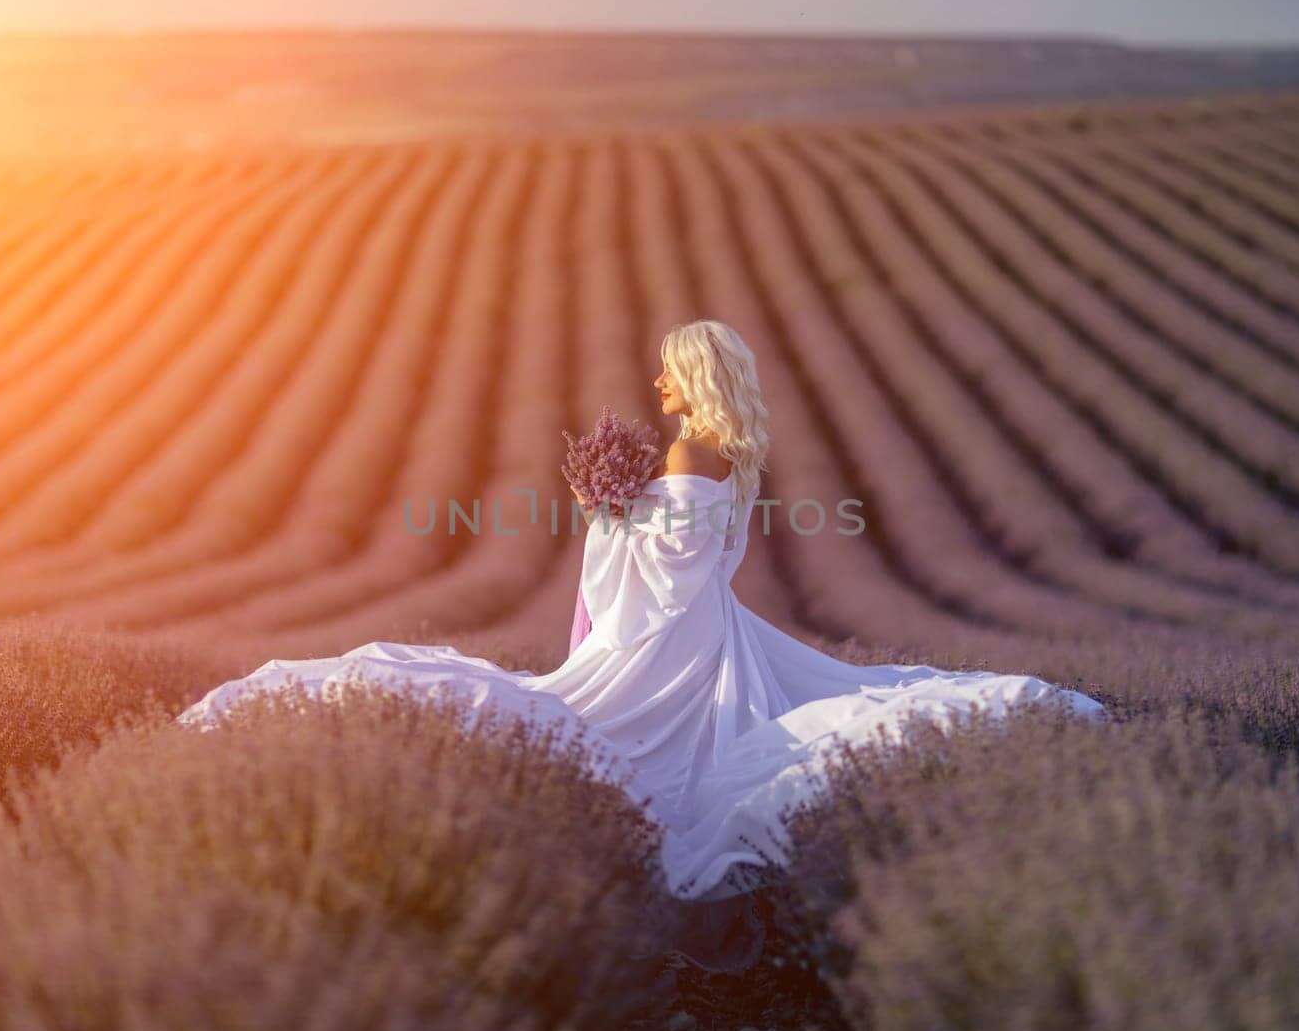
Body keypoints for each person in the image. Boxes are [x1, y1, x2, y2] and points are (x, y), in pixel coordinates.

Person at [177, 319, 1106, 969]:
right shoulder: (729, 450)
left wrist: (605, 512)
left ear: (696, 377)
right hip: (708, 635)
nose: (657, 382)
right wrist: (621, 510)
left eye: (669, 370)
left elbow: (672, 569)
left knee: (588, 725)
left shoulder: (688, 453)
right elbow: (697, 558)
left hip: (672, 647)